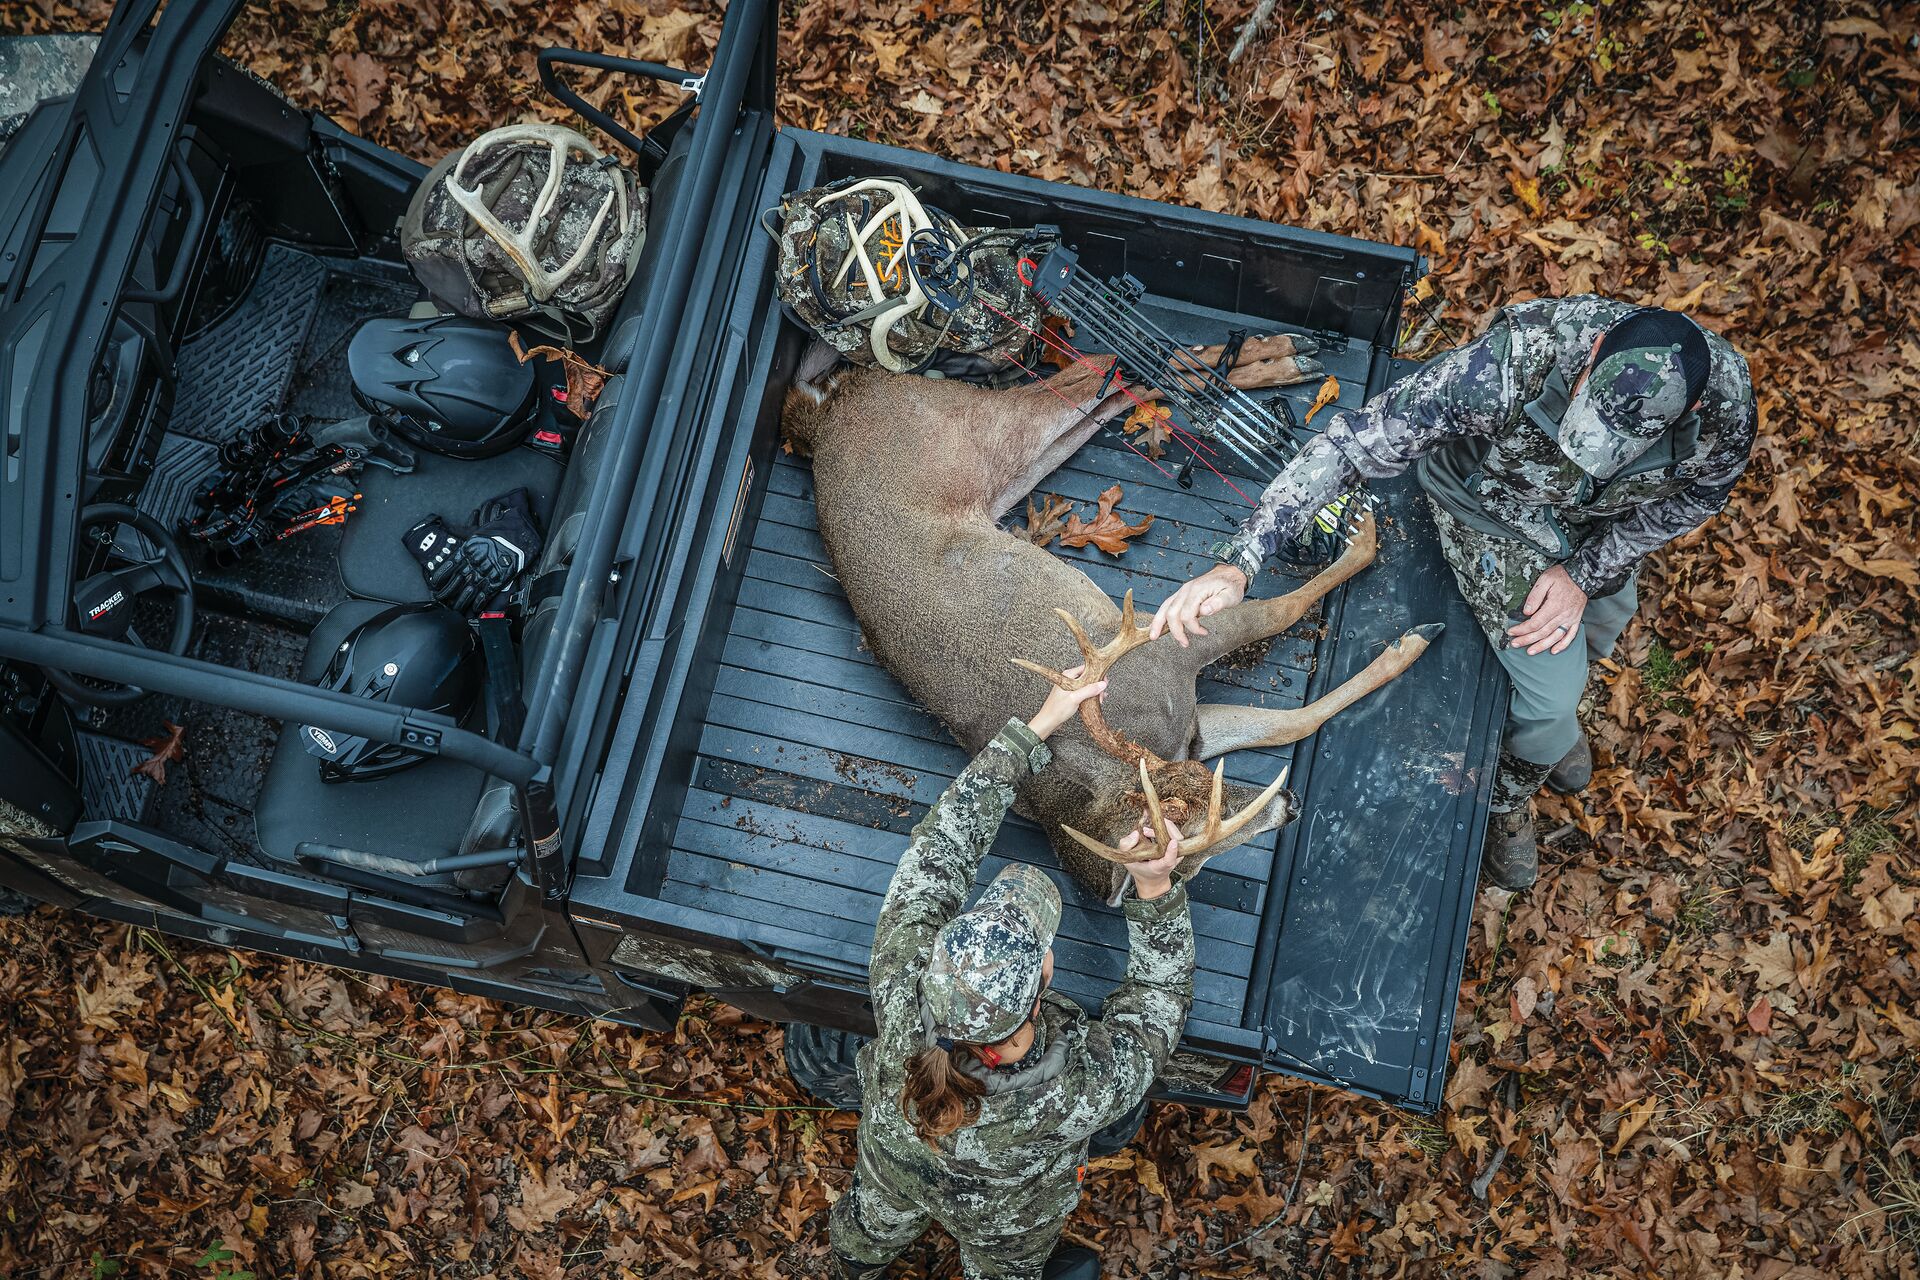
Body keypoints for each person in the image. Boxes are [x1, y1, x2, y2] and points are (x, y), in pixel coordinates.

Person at [1147, 296, 1755, 889]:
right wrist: (1239, 563)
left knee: (1608, 615)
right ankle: (1508, 794)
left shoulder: (1727, 400)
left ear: (1692, 406)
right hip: (1488, 508)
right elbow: (1350, 444)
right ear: (1594, 352)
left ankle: (1551, 737)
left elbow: (1694, 500)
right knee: (1549, 699)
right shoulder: (1507, 365)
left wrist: (1584, 574)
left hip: (1597, 531)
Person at [829, 673, 1195, 1280]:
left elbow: (940, 850)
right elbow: (1158, 999)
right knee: (1007, 1268)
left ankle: (857, 1261)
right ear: (1046, 975)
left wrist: (1035, 728)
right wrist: (1155, 886)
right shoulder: (1079, 1093)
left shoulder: (901, 996)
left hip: (893, 1166)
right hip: (1004, 1221)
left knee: (873, 1221)